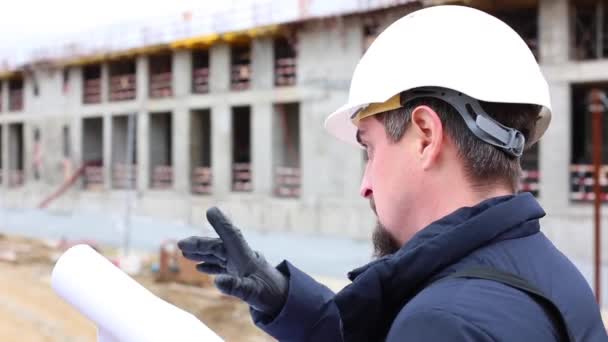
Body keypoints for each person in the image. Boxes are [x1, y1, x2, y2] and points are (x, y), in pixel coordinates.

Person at [178, 5, 608, 341]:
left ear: (424, 135)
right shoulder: (553, 276)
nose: (365, 184)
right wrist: (291, 304)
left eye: (369, 147)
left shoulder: (443, 323)